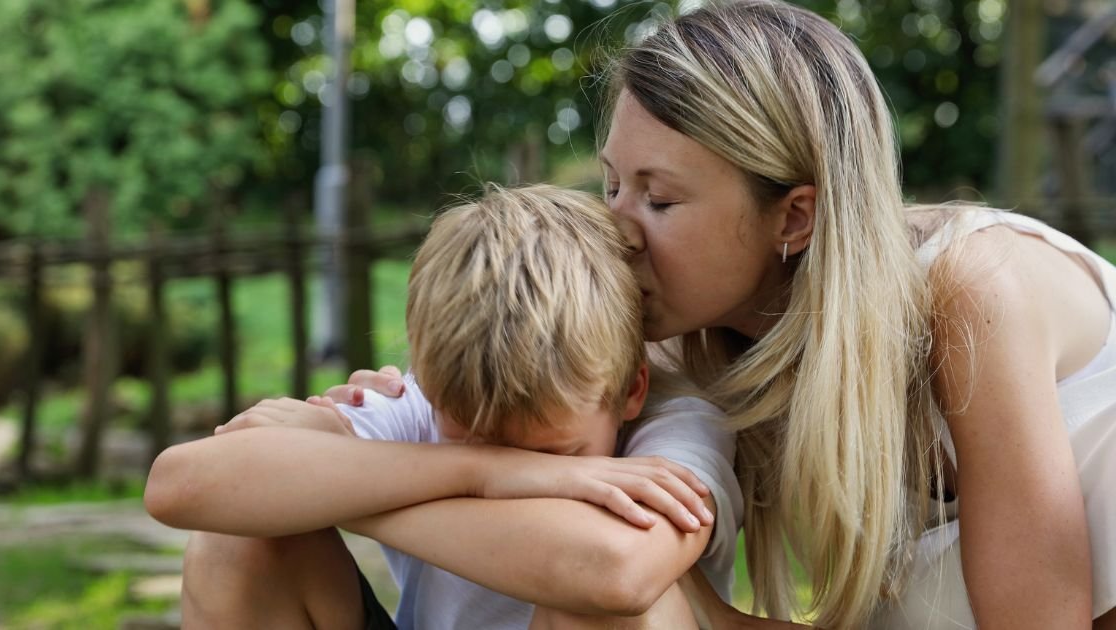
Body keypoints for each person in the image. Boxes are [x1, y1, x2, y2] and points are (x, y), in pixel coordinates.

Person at [333, 1, 1116, 628]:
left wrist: (379, 493)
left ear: (795, 218)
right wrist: (433, 425)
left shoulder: (974, 292)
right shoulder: (695, 344)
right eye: (612, 186)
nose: (618, 228)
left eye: (660, 198)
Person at [144, 184, 744, 629]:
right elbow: (180, 485)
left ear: (631, 389)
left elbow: (616, 571)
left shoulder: (679, 423)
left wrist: (349, 495)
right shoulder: (415, 406)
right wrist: (486, 474)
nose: (519, 467)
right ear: (428, 383)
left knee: (605, 609)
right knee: (241, 541)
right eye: (470, 440)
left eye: (550, 453)